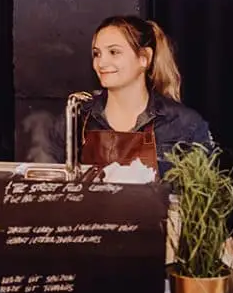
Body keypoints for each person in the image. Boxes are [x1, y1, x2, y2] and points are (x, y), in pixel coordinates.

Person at [70, 15, 214, 178]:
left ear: (144, 58)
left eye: (113, 52)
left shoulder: (185, 125)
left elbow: (204, 190)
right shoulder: (77, 120)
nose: (101, 63)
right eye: (97, 54)